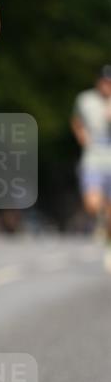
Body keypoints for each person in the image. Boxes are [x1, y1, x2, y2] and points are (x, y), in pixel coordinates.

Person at [70, 65, 111, 269]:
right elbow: (76, 121)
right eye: (105, 82)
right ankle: (102, 221)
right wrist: (81, 136)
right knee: (92, 203)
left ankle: (108, 244)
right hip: (93, 156)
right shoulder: (86, 100)